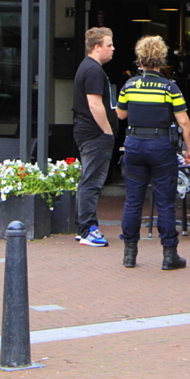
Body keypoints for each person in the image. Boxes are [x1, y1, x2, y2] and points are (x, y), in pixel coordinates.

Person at [115, 36, 190, 270]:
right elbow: (184, 122)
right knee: (166, 202)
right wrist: (189, 150)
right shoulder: (170, 87)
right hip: (161, 147)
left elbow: (120, 114)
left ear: (140, 60)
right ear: (162, 60)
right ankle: (169, 256)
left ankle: (130, 253)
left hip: (134, 145)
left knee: (132, 201)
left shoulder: (129, 85)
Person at [74, 27, 116, 248]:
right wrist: (107, 131)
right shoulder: (93, 71)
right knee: (92, 181)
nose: (112, 49)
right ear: (97, 47)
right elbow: (94, 103)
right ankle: (88, 228)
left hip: (87, 131)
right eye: (109, 45)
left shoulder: (88, 68)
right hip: (94, 133)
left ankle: (82, 227)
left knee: (88, 179)